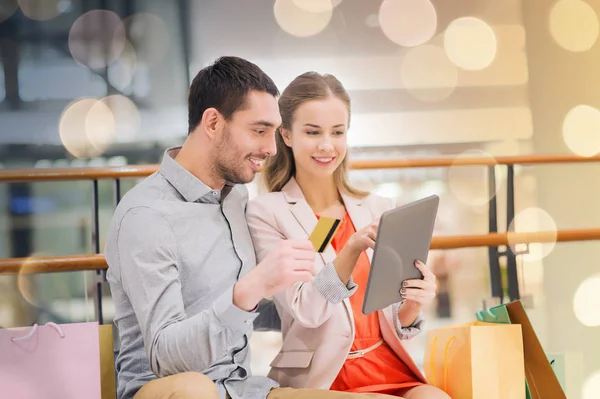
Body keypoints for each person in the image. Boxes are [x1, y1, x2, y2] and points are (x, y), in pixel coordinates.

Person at [104, 57, 416, 399]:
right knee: (196, 389)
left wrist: (304, 300)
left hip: (241, 388)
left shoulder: (235, 198)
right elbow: (166, 357)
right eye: (259, 130)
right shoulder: (146, 215)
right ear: (212, 122)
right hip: (167, 387)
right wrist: (248, 291)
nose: (270, 149)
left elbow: (257, 312)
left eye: (272, 132)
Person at [246, 72, 451, 398]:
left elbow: (392, 320)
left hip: (389, 368)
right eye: (312, 132)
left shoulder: (377, 207)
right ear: (285, 135)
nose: (327, 145)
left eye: (337, 132)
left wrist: (413, 302)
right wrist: (351, 249)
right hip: (325, 375)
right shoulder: (268, 213)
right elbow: (306, 309)